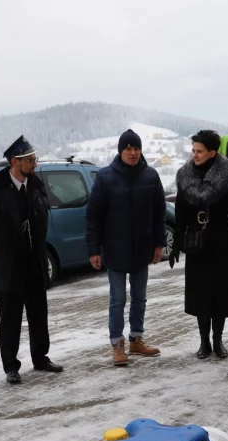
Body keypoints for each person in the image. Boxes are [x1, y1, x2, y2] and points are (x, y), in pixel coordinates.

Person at [0, 136, 63, 385]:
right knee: (10, 318)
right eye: (30, 160)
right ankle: (11, 365)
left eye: (35, 159)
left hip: (35, 263)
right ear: (14, 162)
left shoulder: (36, 185)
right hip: (10, 267)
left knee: (38, 314)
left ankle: (40, 357)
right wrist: (0, 248)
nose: (35, 164)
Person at [86, 129, 167, 366]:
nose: (132, 153)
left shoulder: (151, 176)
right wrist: (94, 249)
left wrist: (159, 244)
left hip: (142, 248)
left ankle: (136, 340)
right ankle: (117, 344)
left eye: (136, 148)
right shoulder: (105, 177)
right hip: (114, 249)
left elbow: (159, 213)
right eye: (128, 149)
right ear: (120, 151)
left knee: (140, 298)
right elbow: (93, 216)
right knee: (118, 298)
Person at [169, 130, 228, 359]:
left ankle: (218, 340)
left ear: (212, 152)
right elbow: (181, 214)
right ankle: (204, 341)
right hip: (197, 242)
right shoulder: (184, 175)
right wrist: (176, 243)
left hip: (222, 240)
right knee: (200, 294)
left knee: (220, 293)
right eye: (193, 150)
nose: (194, 155)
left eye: (199, 151)